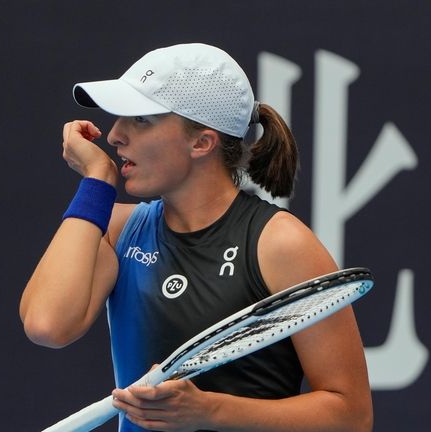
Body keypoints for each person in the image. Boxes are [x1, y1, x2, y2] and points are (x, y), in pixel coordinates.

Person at [19, 43, 373, 432]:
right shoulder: (116, 230)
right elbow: (46, 325)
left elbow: (352, 417)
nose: (116, 135)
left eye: (141, 120)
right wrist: (97, 182)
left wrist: (210, 411)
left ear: (202, 142)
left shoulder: (280, 243)